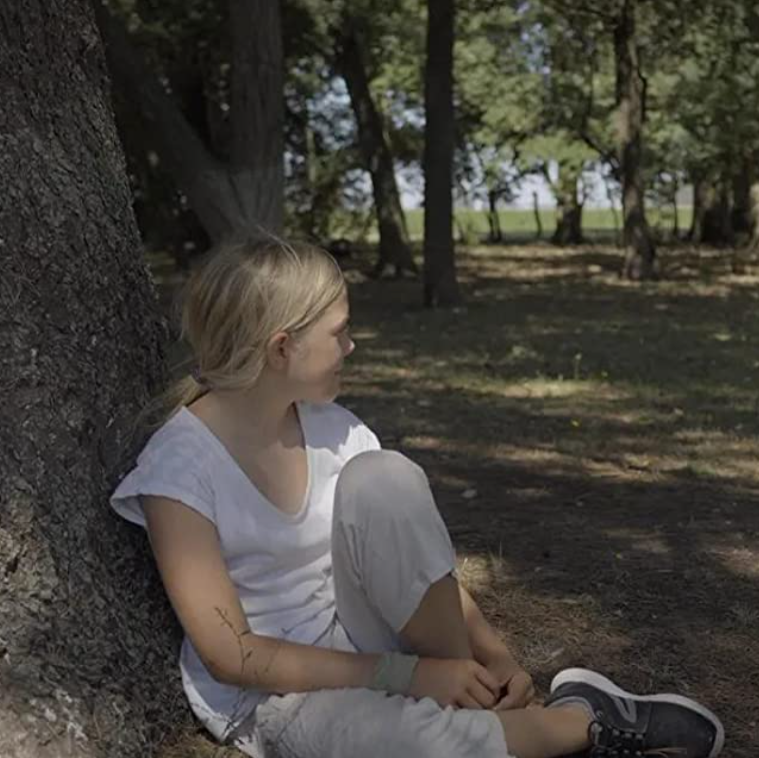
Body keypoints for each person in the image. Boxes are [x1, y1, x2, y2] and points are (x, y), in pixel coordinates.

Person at [111, 236, 725, 758]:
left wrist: (496, 659)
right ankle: (581, 723)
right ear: (280, 348)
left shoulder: (337, 430)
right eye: (339, 333)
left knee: (385, 478)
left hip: (370, 642)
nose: (351, 347)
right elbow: (233, 655)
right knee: (400, 744)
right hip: (274, 695)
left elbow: (421, 570)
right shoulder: (181, 467)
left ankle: (481, 701)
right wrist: (409, 676)